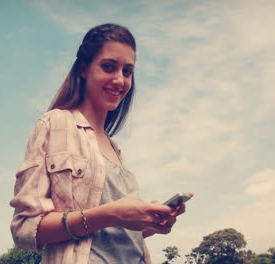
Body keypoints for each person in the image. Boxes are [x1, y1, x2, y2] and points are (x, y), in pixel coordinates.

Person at [10, 23, 186, 264]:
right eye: (108, 67)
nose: (119, 80)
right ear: (84, 69)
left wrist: (146, 223)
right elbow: (25, 228)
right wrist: (110, 214)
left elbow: (107, 235)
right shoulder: (55, 124)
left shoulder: (116, 149)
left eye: (127, 71)